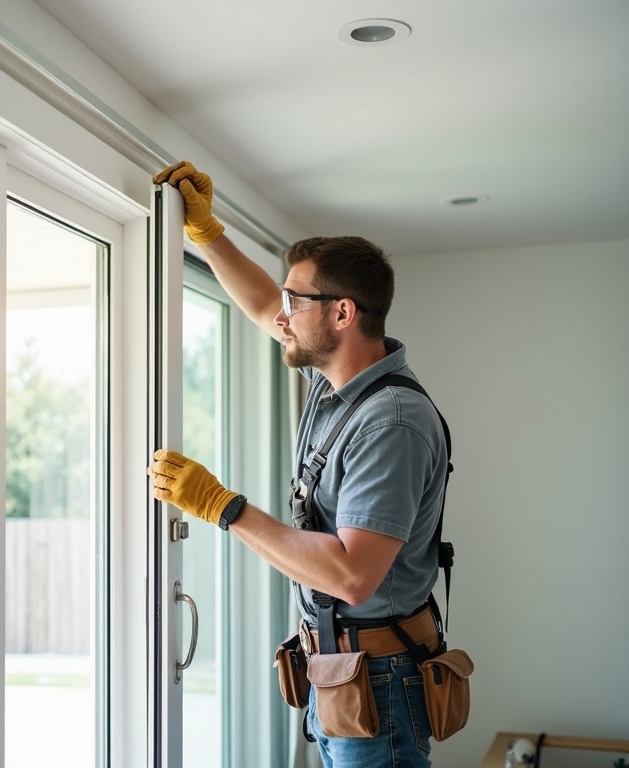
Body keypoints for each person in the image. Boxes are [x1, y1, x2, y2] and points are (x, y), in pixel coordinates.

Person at [147, 161, 450, 767]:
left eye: (297, 300)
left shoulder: (389, 420)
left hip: (381, 686)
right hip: (345, 669)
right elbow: (262, 306)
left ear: (342, 314)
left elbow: (350, 577)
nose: (281, 314)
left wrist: (222, 507)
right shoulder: (339, 380)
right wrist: (207, 234)